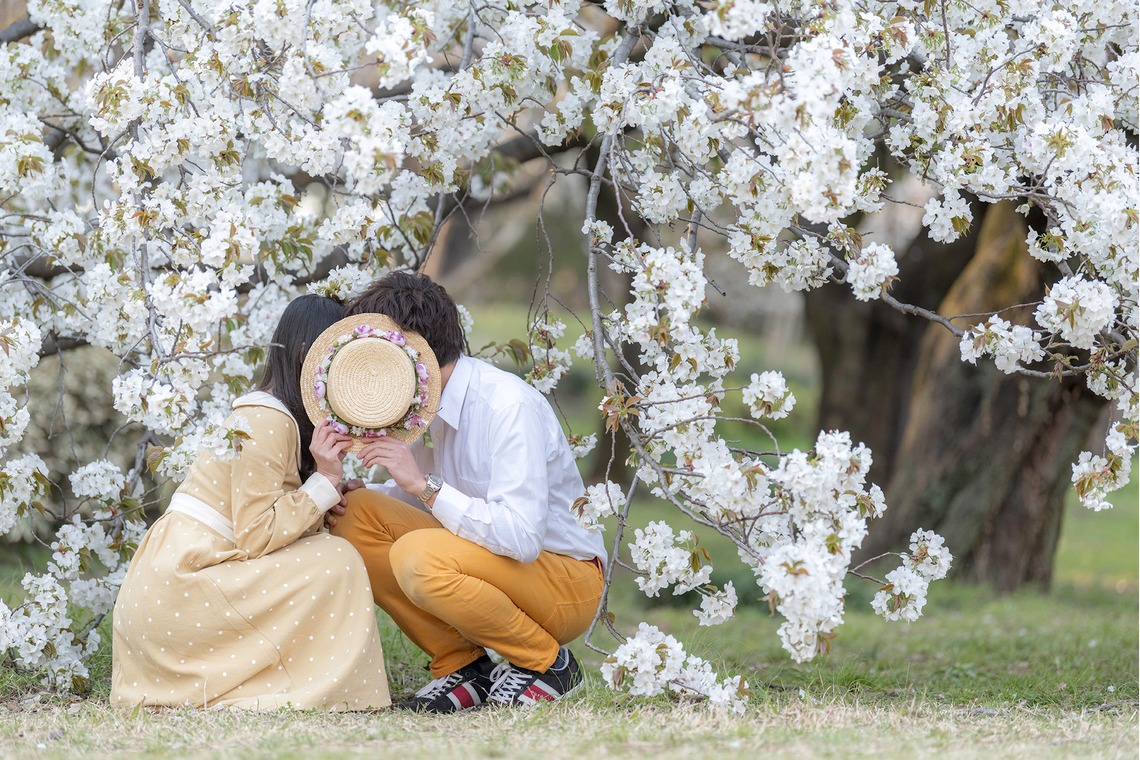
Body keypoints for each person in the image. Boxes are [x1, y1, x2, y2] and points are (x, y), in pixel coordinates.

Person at [326, 272, 606, 713]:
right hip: (491, 560)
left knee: (418, 556)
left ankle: (547, 664)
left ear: (411, 353)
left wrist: (422, 485)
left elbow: (521, 538)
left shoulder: (506, 406)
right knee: (353, 512)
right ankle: (464, 667)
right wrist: (372, 488)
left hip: (564, 580)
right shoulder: (420, 405)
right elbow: (434, 502)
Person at [111, 294, 391, 711]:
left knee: (329, 551)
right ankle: (308, 683)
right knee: (336, 560)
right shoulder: (266, 418)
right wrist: (325, 482)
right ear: (305, 354)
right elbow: (257, 535)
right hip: (184, 582)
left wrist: (321, 495)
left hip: (182, 582)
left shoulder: (273, 415)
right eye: (336, 361)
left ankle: (300, 676)